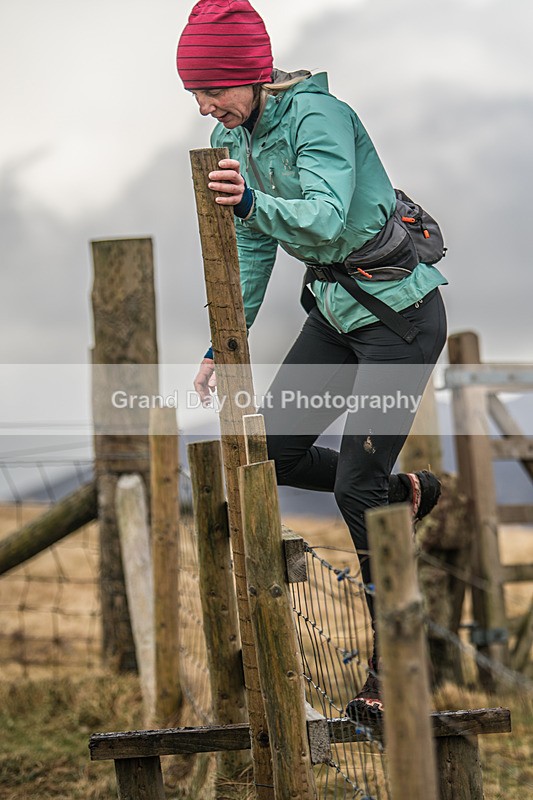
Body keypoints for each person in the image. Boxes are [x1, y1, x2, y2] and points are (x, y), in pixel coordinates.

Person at [177, 0, 448, 720]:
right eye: (194, 95)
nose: (206, 107)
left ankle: (393, 675)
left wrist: (247, 205)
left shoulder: (321, 119)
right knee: (275, 452)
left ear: (255, 75)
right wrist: (218, 342)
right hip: (334, 314)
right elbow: (256, 244)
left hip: (400, 321)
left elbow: (325, 217)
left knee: (355, 486)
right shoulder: (232, 136)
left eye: (214, 91)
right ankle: (404, 495)